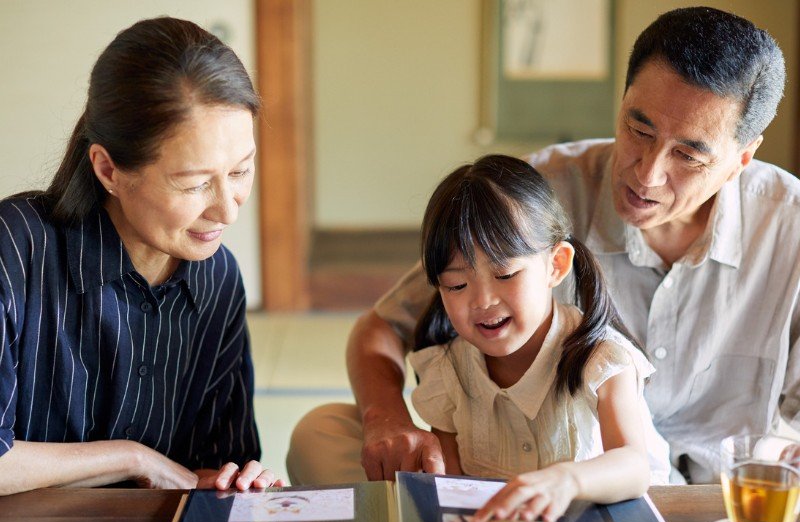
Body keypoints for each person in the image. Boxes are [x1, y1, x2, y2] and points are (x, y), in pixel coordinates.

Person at [287, 6, 800, 486]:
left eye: (689, 155)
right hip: (534, 478)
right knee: (323, 431)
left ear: (742, 158)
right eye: (638, 129)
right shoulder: (535, 194)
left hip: (729, 493)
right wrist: (387, 420)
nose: (647, 173)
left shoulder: (789, 225)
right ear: (621, 103)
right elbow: (382, 327)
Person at [0, 17, 284, 495]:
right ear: (108, 168)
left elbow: (215, 465)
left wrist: (239, 480)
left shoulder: (217, 279)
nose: (225, 211)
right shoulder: (17, 248)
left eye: (240, 172)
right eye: (194, 184)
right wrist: (132, 458)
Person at [410, 155, 670, 522]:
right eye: (457, 285)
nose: (483, 301)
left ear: (556, 265)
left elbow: (634, 466)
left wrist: (568, 480)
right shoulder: (448, 371)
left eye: (506, 274)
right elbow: (450, 490)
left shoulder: (603, 358)